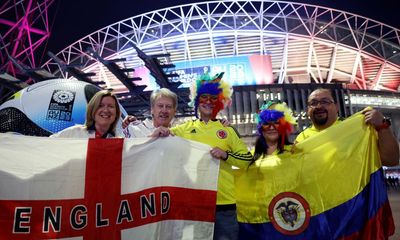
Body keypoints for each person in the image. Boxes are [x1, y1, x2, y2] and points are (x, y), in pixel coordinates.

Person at [170, 72, 253, 240]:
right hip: (195, 204)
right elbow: (157, 140)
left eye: (213, 98)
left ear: (220, 102)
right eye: (204, 97)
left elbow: (247, 160)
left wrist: (226, 154)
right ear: (197, 100)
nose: (208, 102)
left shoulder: (228, 130)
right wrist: (131, 124)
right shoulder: (183, 129)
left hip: (225, 205)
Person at [295, 88, 399, 166]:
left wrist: (382, 126)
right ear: (308, 109)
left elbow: (391, 160)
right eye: (313, 103)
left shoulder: (358, 129)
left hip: (356, 194)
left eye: (325, 102)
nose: (319, 106)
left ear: (336, 107)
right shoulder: (301, 139)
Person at [51, 89, 121, 138]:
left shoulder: (120, 142)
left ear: (116, 113)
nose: (106, 110)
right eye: (100, 106)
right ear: (92, 109)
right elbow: (46, 144)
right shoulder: (73, 133)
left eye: (111, 106)